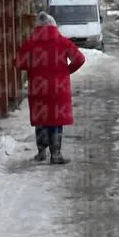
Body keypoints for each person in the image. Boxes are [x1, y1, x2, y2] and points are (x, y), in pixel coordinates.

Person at [15, 11, 86, 164]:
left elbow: (19, 63)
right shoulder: (62, 42)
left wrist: (33, 67)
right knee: (56, 120)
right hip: (58, 88)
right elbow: (80, 59)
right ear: (54, 26)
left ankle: (41, 153)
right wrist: (66, 70)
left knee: (41, 119)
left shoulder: (30, 43)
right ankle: (56, 154)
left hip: (38, 87)